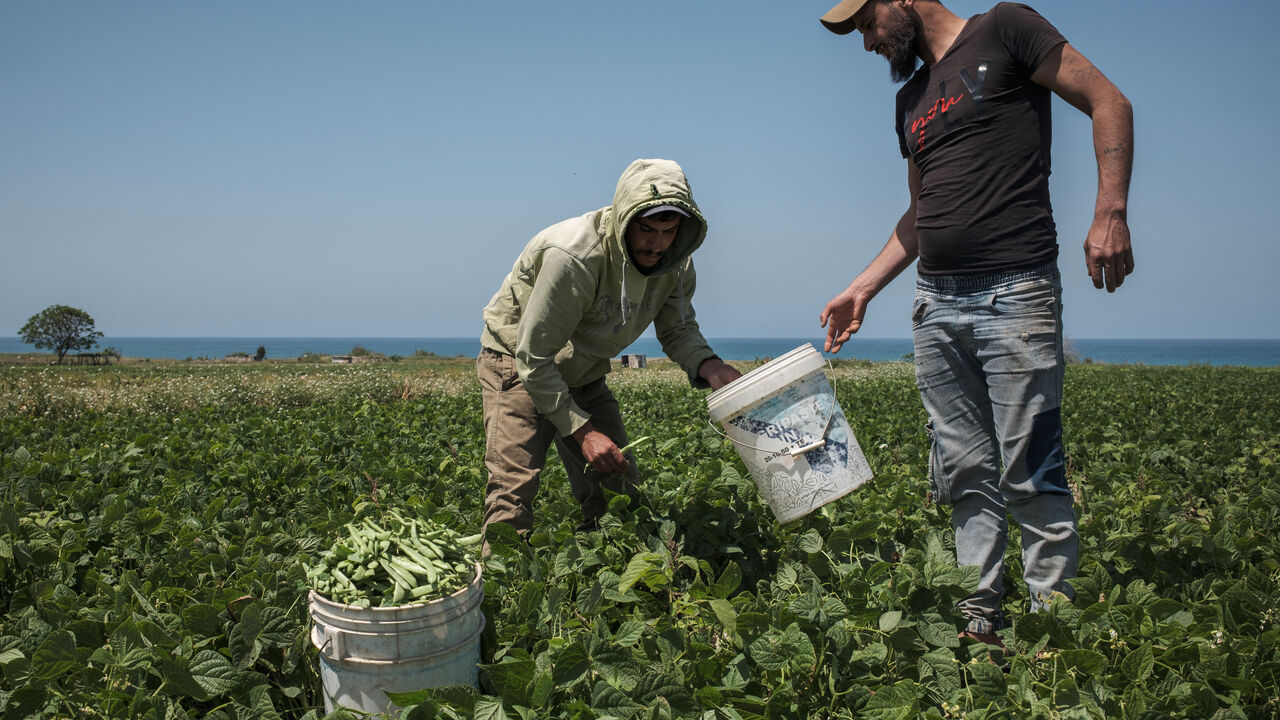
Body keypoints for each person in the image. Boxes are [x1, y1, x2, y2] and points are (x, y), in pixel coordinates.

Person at [816, 0, 1134, 647]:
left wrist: (1110, 211)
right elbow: (920, 213)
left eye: (867, 23)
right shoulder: (910, 99)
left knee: (1030, 465)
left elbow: (1109, 101)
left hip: (1015, 290)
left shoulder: (1007, 30)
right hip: (936, 303)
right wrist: (862, 287)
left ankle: (1053, 630)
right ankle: (978, 617)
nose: (868, 41)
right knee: (962, 468)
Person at [478, 158, 742, 542]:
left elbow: (679, 328)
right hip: (517, 364)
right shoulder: (573, 257)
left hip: (582, 368)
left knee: (618, 483)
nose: (657, 244)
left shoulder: (676, 263)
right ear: (624, 220)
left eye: (669, 231)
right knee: (513, 492)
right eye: (647, 229)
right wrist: (582, 432)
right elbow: (533, 358)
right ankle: (498, 595)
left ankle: (606, 578)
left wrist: (710, 365)